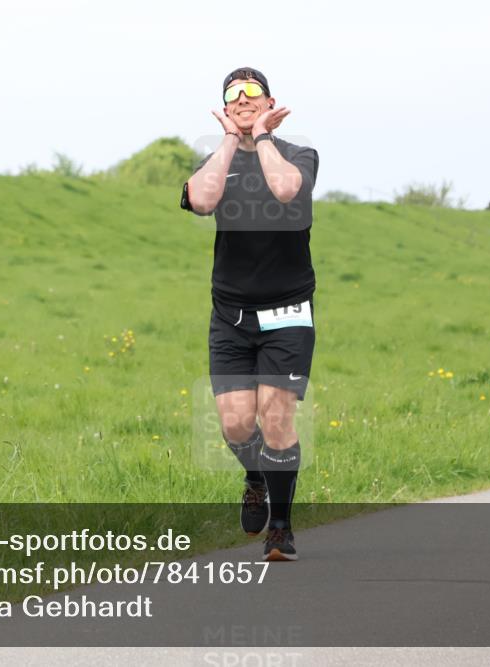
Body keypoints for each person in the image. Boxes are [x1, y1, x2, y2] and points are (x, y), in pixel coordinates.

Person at [180, 67, 319, 561]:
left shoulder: (299, 155)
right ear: (224, 107)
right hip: (231, 316)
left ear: (270, 102)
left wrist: (261, 137)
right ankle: (256, 477)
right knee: (237, 425)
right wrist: (228, 141)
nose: (242, 98)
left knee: (276, 419)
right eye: (233, 94)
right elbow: (202, 201)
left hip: (288, 312)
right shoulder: (215, 161)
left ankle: (280, 528)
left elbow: (285, 190)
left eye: (252, 92)